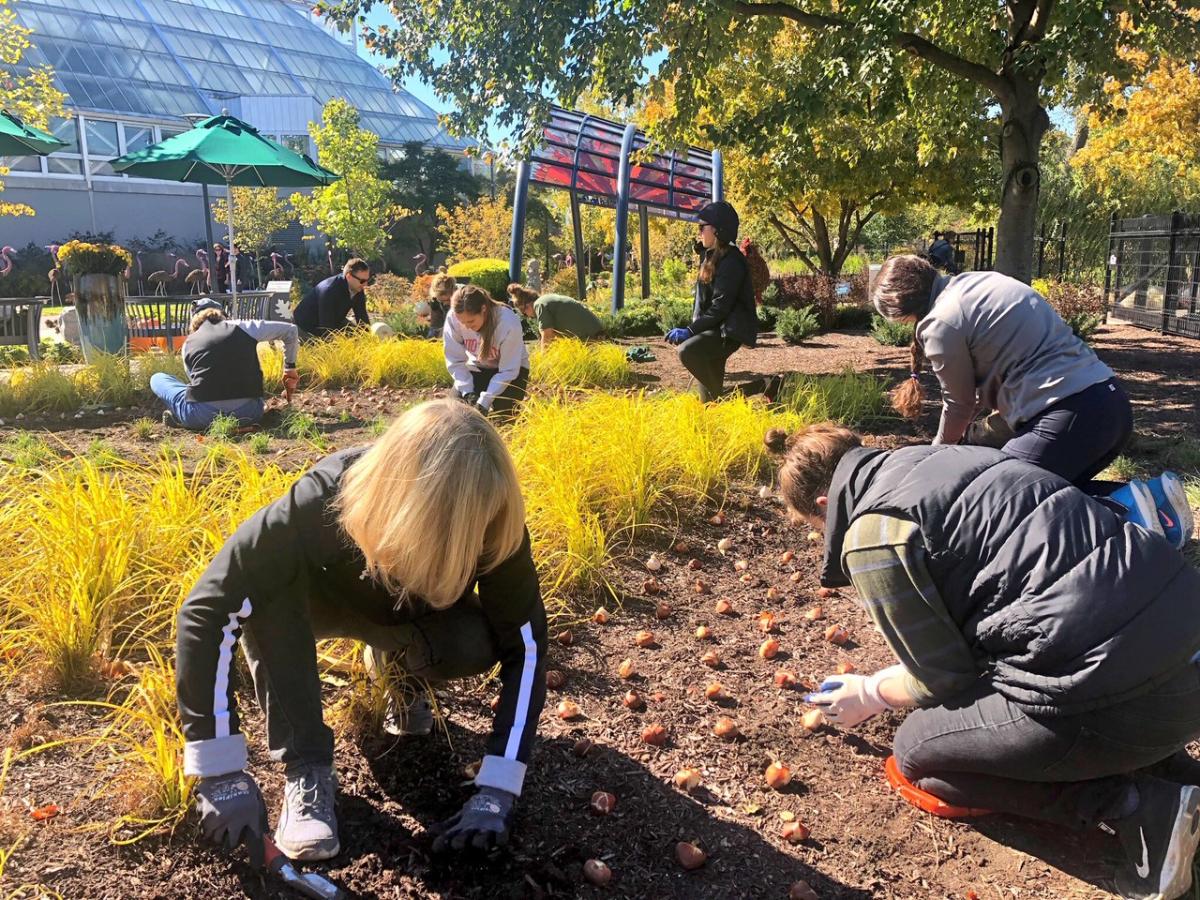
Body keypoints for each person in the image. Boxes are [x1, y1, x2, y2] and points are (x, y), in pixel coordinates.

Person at [767, 422, 1200, 900]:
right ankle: (1179, 778)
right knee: (1106, 657)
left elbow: (944, 678)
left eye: (816, 530)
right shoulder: (957, 458)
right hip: (1187, 664)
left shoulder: (874, 530)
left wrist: (870, 693)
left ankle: (1139, 809)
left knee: (918, 754)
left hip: (1126, 703)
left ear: (825, 509)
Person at [177, 399, 547, 863]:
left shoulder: (493, 518)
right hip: (316, 608)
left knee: (477, 638)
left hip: (407, 616)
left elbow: (527, 647)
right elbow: (208, 607)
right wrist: (220, 769)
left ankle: (398, 676)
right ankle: (306, 765)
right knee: (266, 592)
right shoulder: (323, 496)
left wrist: (497, 788)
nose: (468, 536)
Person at [871, 254, 1193, 549]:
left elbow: (959, 404)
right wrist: (979, 434)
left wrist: (935, 458)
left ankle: (1122, 513)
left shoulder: (940, 322)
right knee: (1054, 489)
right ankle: (1155, 500)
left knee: (999, 499)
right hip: (1109, 404)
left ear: (900, 311)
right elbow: (994, 382)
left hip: (1069, 415)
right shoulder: (980, 281)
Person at [151, 299, 299, 430]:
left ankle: (183, 419)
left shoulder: (189, 343)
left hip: (202, 416)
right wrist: (289, 368)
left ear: (193, 322)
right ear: (222, 314)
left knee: (158, 378)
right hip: (251, 413)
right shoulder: (244, 327)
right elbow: (290, 330)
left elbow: (194, 382)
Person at [664, 200, 759, 402]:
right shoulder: (710, 256)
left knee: (687, 351)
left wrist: (690, 331)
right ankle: (765, 386)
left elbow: (720, 307)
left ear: (718, 230)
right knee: (708, 402)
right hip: (713, 329)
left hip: (726, 332)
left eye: (702, 227)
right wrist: (694, 327)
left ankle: (751, 389)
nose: (699, 232)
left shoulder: (732, 261)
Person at [444, 285, 529, 417]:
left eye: (471, 321)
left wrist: (484, 402)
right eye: (462, 322)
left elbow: (508, 370)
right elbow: (455, 361)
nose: (466, 326)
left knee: (503, 415)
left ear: (483, 309)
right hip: (477, 367)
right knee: (455, 412)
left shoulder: (507, 322)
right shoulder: (453, 318)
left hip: (511, 372)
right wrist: (468, 391)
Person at [293, 258, 371, 339]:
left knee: (357, 337)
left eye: (367, 280)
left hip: (333, 319)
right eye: (362, 281)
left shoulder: (358, 288)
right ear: (349, 276)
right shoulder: (330, 291)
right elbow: (326, 329)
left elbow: (362, 319)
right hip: (305, 326)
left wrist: (368, 339)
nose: (365, 284)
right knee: (323, 348)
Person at [506, 283, 604, 346]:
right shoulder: (545, 300)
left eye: (525, 314)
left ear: (526, 306)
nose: (528, 317)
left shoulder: (539, 305)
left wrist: (543, 362)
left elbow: (547, 336)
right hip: (595, 332)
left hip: (592, 337)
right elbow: (553, 335)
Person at [416, 272, 455, 340]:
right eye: (442, 301)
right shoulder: (435, 300)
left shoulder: (462, 297)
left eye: (448, 300)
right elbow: (435, 325)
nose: (445, 303)